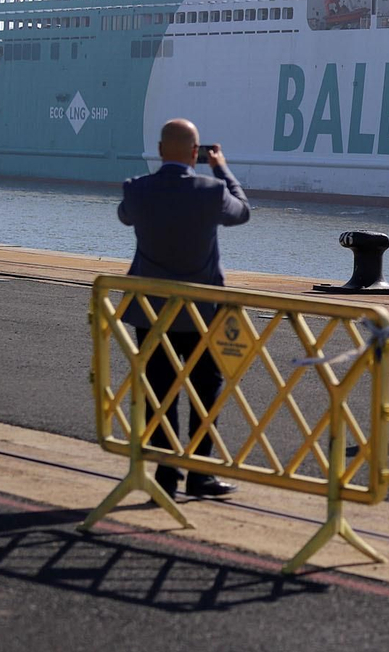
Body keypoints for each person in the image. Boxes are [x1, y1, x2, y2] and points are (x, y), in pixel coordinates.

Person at [118, 118, 251, 500]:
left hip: (150, 313)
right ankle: (199, 473)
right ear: (196, 153)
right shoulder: (210, 191)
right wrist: (220, 167)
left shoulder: (137, 189)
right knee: (203, 391)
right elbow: (242, 211)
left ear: (160, 151)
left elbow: (124, 215)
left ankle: (164, 473)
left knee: (158, 393)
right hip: (201, 313)